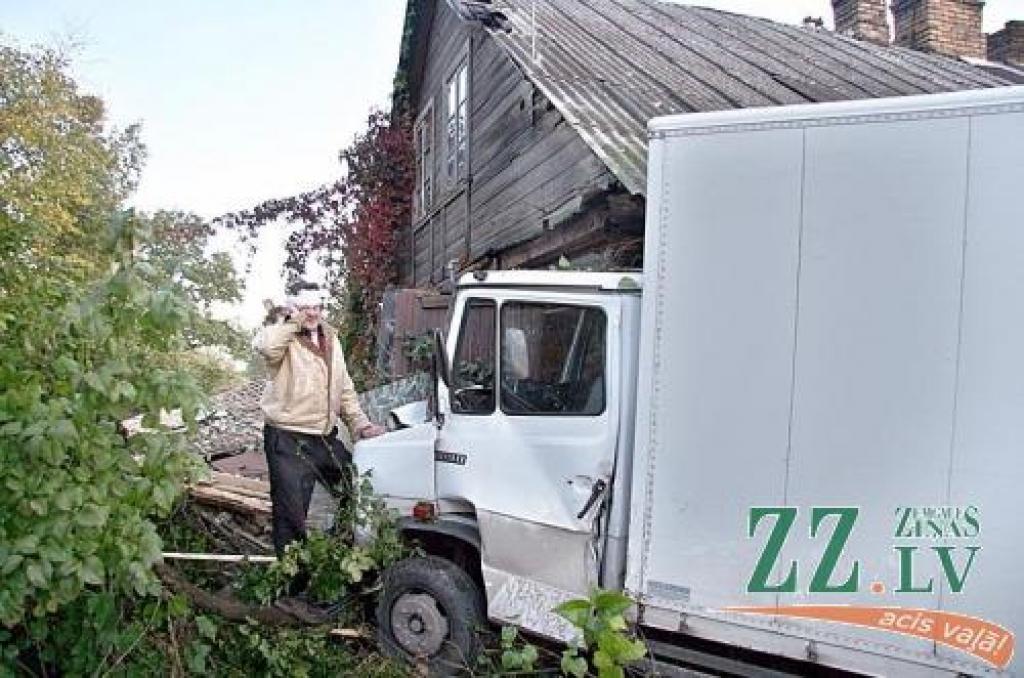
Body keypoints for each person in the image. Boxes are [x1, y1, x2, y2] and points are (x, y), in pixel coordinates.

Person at [255, 283, 385, 557]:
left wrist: (359, 423)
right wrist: (292, 322)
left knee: (354, 488)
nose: (312, 314)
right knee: (291, 514)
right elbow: (266, 348)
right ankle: (292, 579)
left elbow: (344, 386)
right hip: (286, 439)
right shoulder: (282, 336)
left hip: (323, 437)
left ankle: (340, 553)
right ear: (294, 309)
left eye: (316, 307)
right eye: (305, 308)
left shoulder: (331, 339)